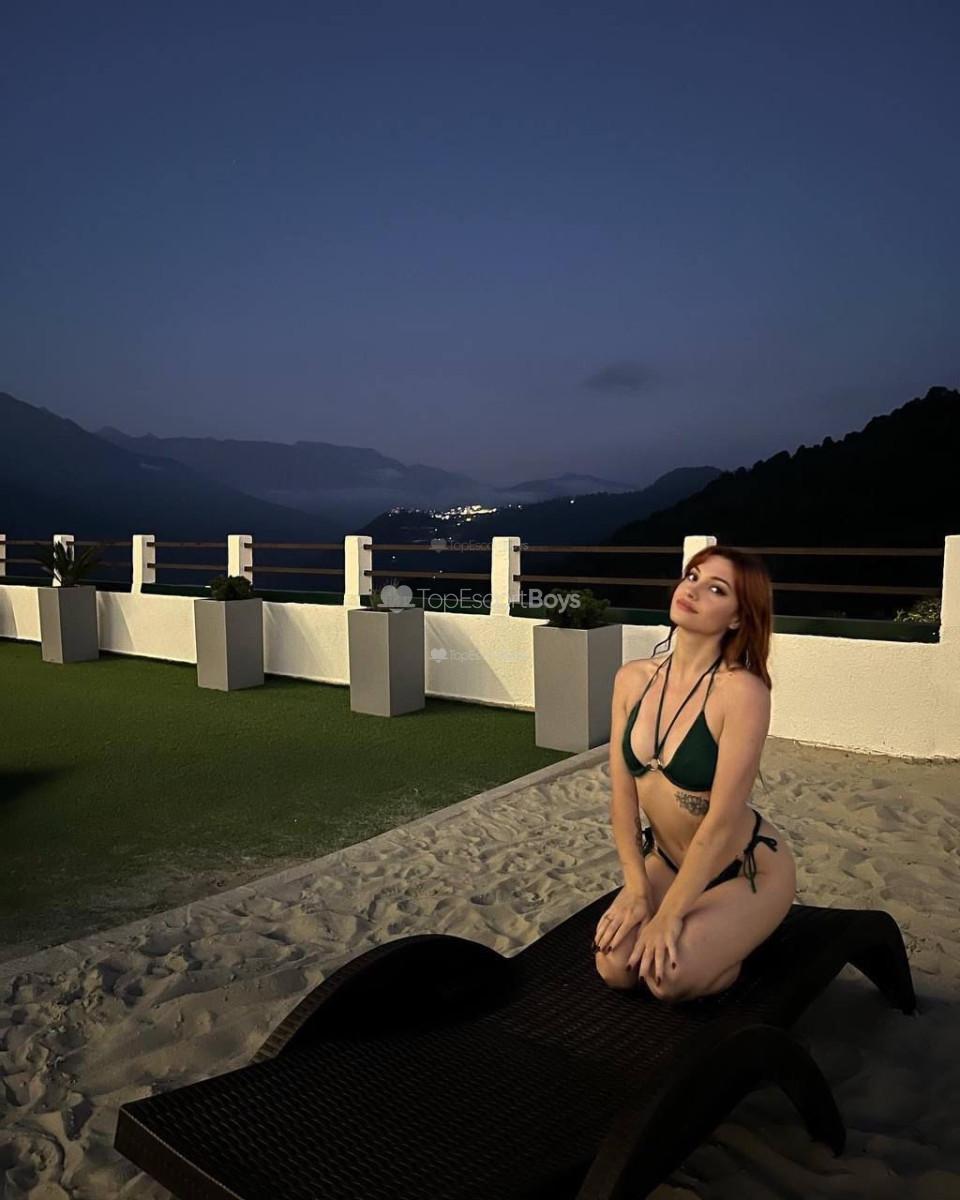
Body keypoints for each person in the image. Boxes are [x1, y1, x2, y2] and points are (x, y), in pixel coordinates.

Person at [593, 545, 796, 1001]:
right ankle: (710, 932)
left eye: (716, 589)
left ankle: (731, 938)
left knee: (667, 978)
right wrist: (636, 888)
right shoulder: (632, 679)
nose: (693, 590)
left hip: (744, 868)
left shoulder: (742, 693)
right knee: (614, 965)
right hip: (668, 861)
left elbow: (722, 822)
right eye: (692, 576)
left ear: (738, 617)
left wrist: (669, 916)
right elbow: (622, 800)